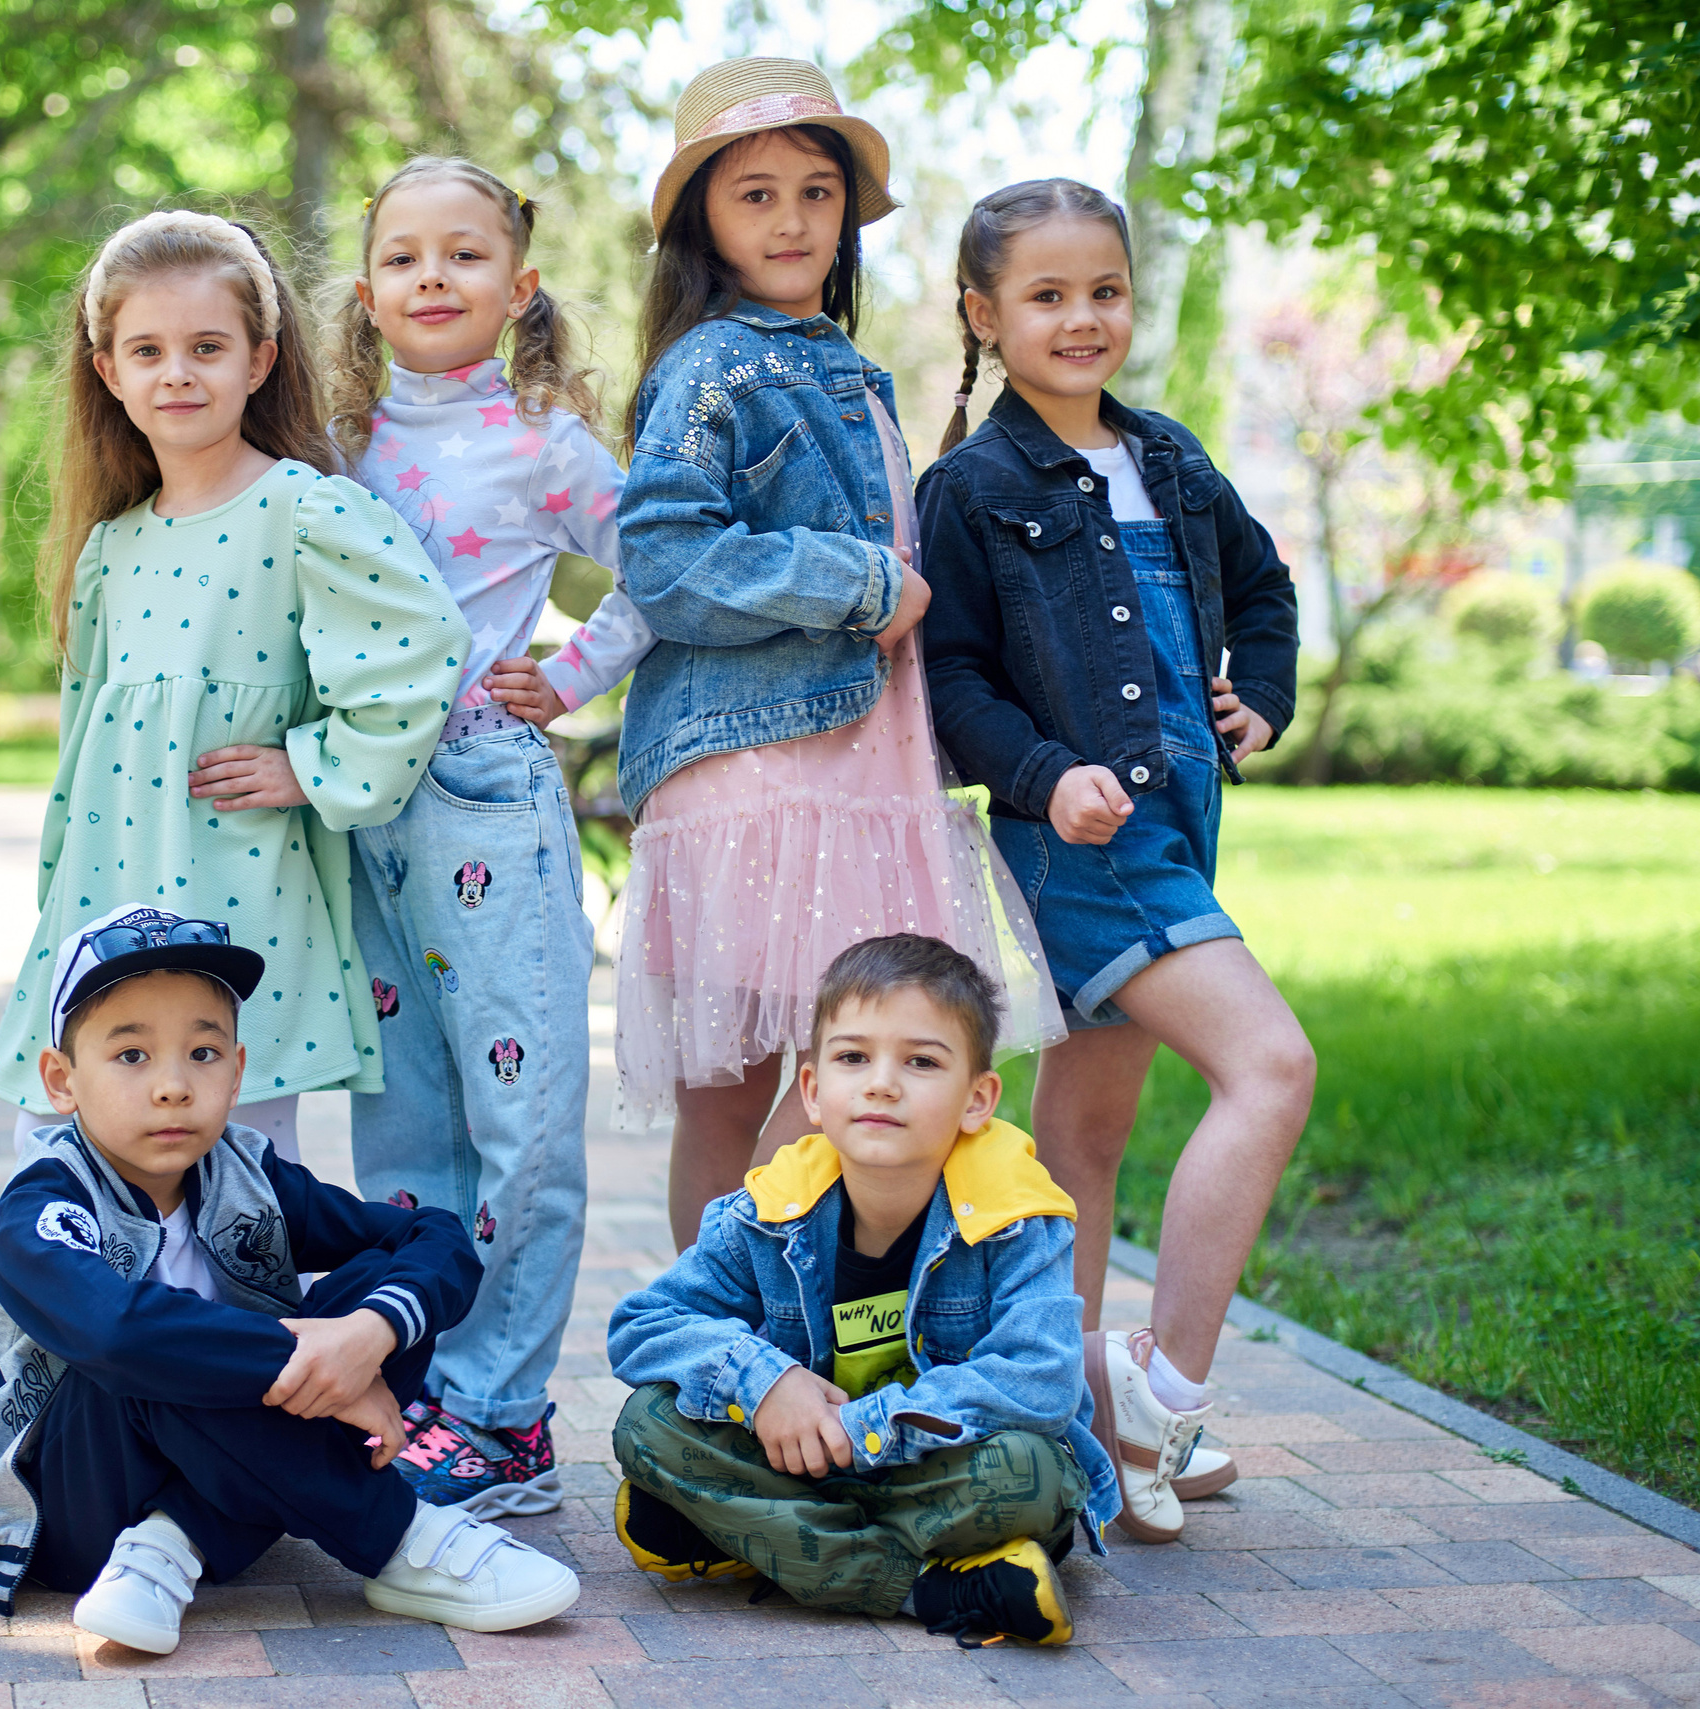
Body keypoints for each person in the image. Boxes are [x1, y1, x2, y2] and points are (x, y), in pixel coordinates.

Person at [916, 178, 1315, 1542]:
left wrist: (1261, 692)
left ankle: (1080, 1434)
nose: (1083, 318)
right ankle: (1162, 1391)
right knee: (1271, 1067)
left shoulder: (1174, 456)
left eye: (1106, 291)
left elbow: (1263, 590)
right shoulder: (971, 487)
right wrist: (1041, 772)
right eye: (1047, 295)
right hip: (1088, 851)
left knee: (1085, 1141)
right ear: (985, 314)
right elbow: (951, 678)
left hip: (1176, 836)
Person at [611, 57, 1064, 1250]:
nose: (792, 219)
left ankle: (720, 1345)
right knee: (826, 1068)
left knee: (753, 1076)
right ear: (702, 216)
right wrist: (859, 582)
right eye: (754, 193)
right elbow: (661, 555)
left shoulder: (832, 361)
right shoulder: (723, 360)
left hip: (845, 757)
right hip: (769, 763)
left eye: (815, 191)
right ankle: (751, 1339)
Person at [0, 908, 580, 1653]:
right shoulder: (44, 1204)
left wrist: (365, 1337)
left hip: (218, 1467)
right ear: (62, 1080)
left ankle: (171, 1543)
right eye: (131, 1056)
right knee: (149, 1349)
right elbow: (116, 1330)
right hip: (64, 1509)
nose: (174, 1085)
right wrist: (317, 1360)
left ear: (237, 1071)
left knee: (376, 1293)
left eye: (203, 1052)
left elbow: (432, 1235)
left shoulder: (246, 1175)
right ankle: (402, 1538)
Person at [0, 209, 470, 1164]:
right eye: (148, 350)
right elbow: (84, 747)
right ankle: (89, 1318)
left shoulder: (302, 509)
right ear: (108, 370)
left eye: (207, 347)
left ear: (258, 360)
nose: (178, 372)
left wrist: (315, 767)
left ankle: (236, 1317)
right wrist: (55, 894)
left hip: (234, 893)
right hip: (107, 895)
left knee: (232, 1162)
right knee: (54, 1148)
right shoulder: (111, 548)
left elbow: (421, 647)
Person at [328, 155, 654, 1515]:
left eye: (464, 256)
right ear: (366, 292)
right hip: (361, 818)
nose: (432, 279)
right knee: (402, 1129)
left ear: (517, 289)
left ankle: (507, 1414)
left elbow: (662, 566)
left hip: (490, 804)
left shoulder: (540, 440)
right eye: (404, 257)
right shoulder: (333, 447)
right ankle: (421, 1386)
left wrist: (572, 677)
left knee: (520, 1123)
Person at [606, 934, 1118, 1645]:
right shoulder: (768, 1212)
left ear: (978, 1099)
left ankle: (744, 1532)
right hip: (806, 1459)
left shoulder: (1017, 1217)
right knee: (646, 1425)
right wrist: (767, 1382)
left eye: (921, 1061)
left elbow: (1040, 1381)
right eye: (853, 1056)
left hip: (938, 1469)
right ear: (813, 1091)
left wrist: (867, 1427)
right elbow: (643, 1324)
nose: (882, 1082)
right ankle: (935, 1585)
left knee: (1030, 1475)